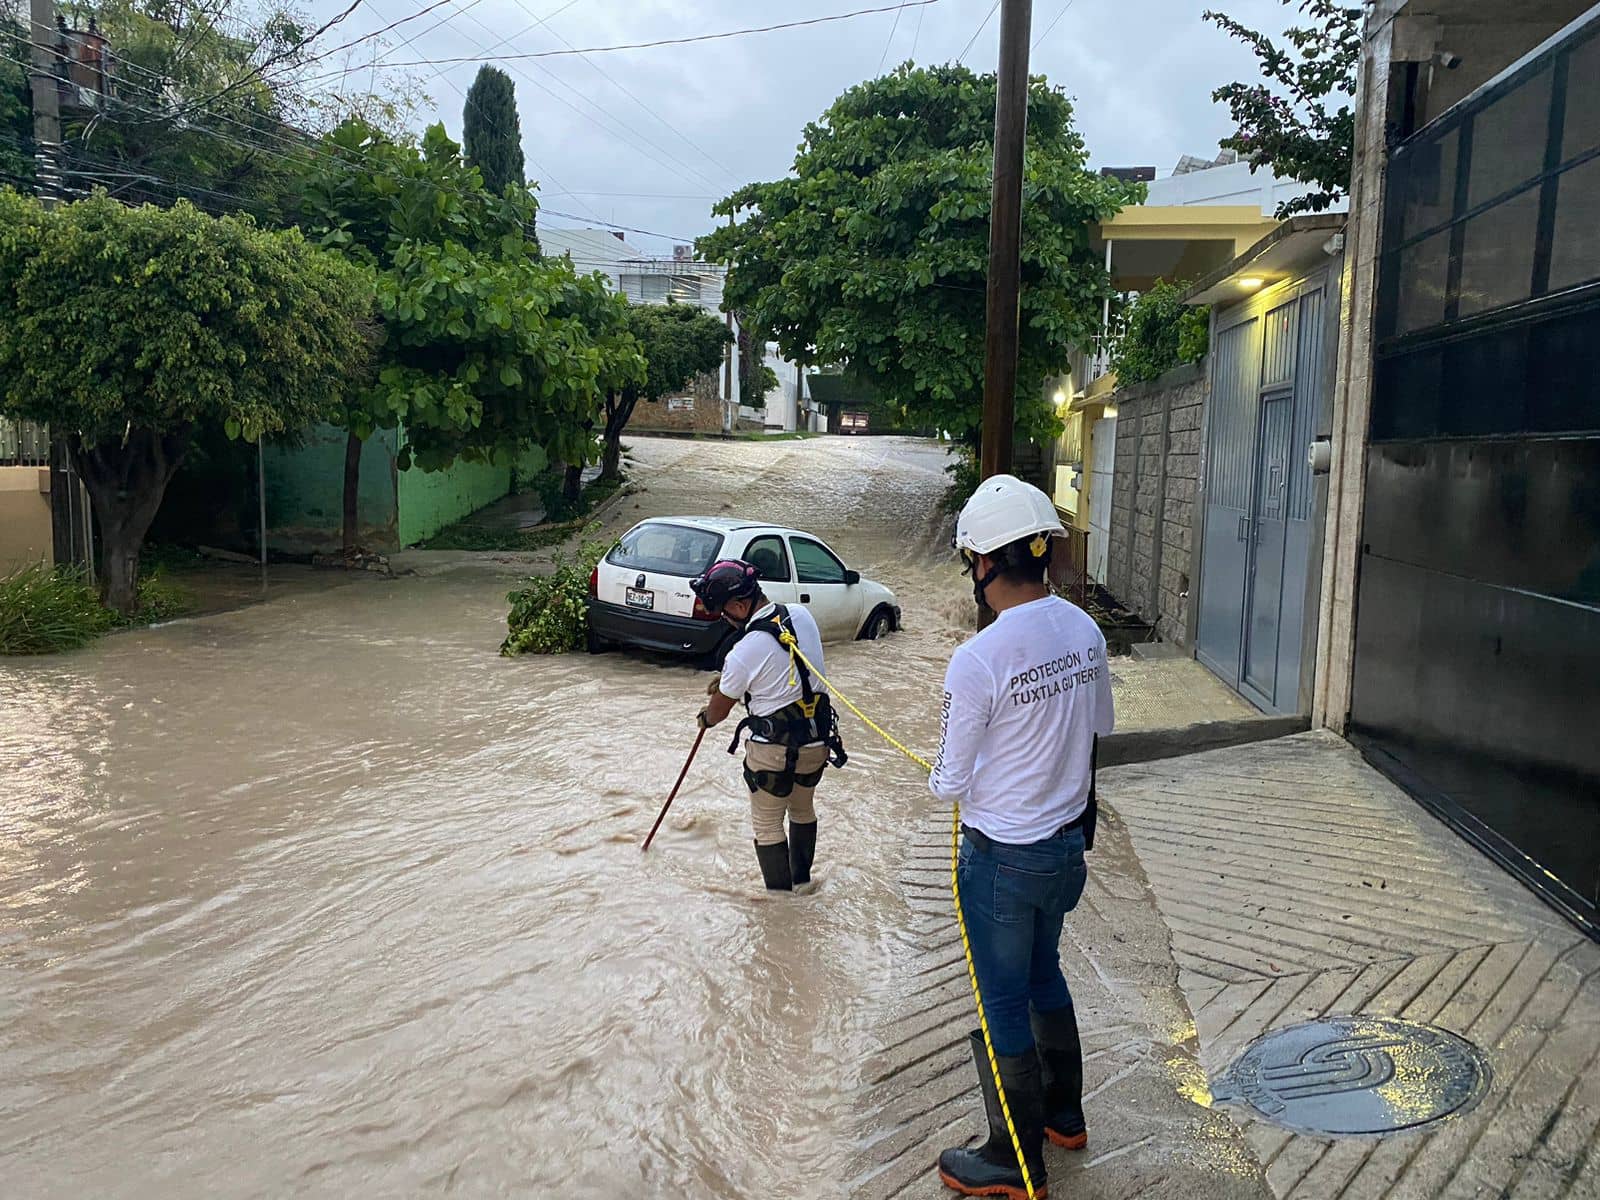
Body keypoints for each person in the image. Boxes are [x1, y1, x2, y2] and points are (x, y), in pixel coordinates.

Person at [930, 475, 1115, 1199]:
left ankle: (1014, 1155)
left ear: (983, 563)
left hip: (1001, 862)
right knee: (1045, 975)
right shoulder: (1085, 630)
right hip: (1066, 852)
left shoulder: (977, 658)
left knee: (1002, 997)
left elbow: (947, 780)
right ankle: (1064, 1116)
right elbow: (1098, 727)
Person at [690, 559, 847, 891]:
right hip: (817, 743)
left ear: (740, 604)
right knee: (802, 808)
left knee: (767, 824)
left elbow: (718, 713)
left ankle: (781, 905)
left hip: (772, 752)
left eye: (723, 611)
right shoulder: (801, 616)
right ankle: (802, 883)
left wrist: (706, 715)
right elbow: (786, 670)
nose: (724, 619)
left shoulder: (742, 652)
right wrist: (732, 681)